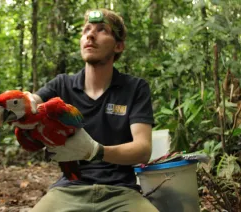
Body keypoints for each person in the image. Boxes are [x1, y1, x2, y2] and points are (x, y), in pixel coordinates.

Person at [30, 8, 158, 212]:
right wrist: (18, 103)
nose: (90, 35)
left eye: (101, 30)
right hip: (68, 189)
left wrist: (94, 151)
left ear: (118, 46)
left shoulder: (134, 88)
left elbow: (143, 150)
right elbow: (32, 103)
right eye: (86, 30)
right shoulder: (62, 85)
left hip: (121, 193)